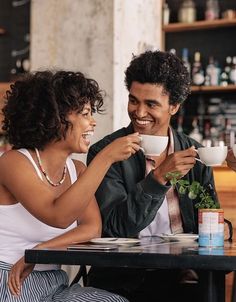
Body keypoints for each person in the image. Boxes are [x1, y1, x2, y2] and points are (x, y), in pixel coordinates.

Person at [86, 50, 219, 302]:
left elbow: (210, 223)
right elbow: (112, 228)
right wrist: (157, 179)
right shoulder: (106, 152)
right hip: (124, 281)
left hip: (184, 279)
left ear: (174, 106)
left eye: (151, 104)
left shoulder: (196, 154)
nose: (139, 112)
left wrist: (221, 229)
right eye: (134, 100)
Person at [0, 70, 142, 302]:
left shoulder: (78, 170)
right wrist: (105, 158)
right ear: (55, 118)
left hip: (53, 282)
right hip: (9, 281)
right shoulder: (14, 162)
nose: (92, 122)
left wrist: (38, 253)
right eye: (85, 113)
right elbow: (59, 216)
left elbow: (91, 230)